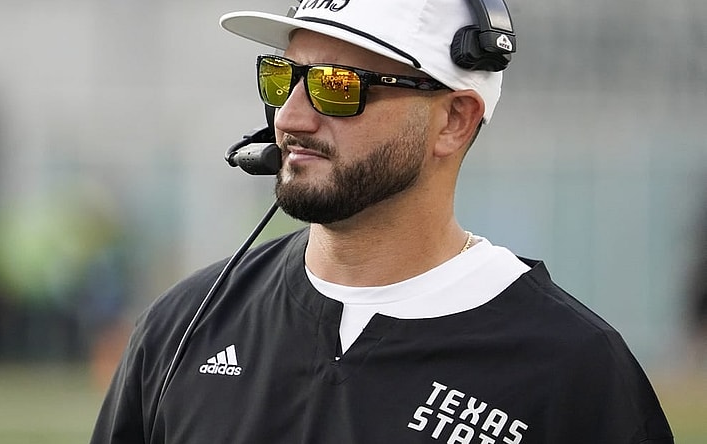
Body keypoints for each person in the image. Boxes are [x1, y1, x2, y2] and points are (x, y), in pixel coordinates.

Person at [90, 0, 674, 442]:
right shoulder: (185, 326)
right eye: (282, 77)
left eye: (337, 87)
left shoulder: (574, 369)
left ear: (454, 121)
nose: (291, 117)